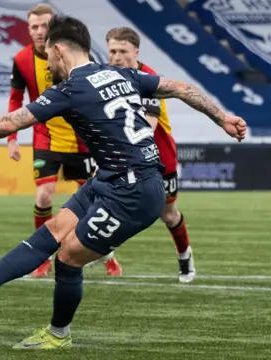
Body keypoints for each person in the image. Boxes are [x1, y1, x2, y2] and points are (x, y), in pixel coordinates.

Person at [0, 15, 246, 349]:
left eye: (48, 55)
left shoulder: (71, 89)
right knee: (51, 232)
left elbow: (7, 123)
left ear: (60, 50)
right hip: (109, 178)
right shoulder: (119, 73)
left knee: (68, 257)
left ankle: (58, 335)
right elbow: (184, 88)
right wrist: (222, 117)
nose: (47, 64)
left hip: (133, 193)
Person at [7, 4, 122, 277]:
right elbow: (15, 99)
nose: (38, 32)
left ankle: (107, 255)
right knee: (44, 195)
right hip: (45, 136)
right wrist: (12, 137)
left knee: (96, 201)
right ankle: (42, 258)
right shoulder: (21, 60)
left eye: (44, 26)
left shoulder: (77, 57)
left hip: (80, 137)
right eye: (33, 27)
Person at [101, 26, 195, 282]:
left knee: (168, 214)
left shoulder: (149, 77)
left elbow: (149, 123)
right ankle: (101, 248)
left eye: (123, 51)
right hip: (125, 154)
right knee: (112, 202)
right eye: (112, 51)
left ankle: (184, 255)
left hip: (159, 155)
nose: (117, 56)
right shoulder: (105, 76)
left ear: (136, 51)